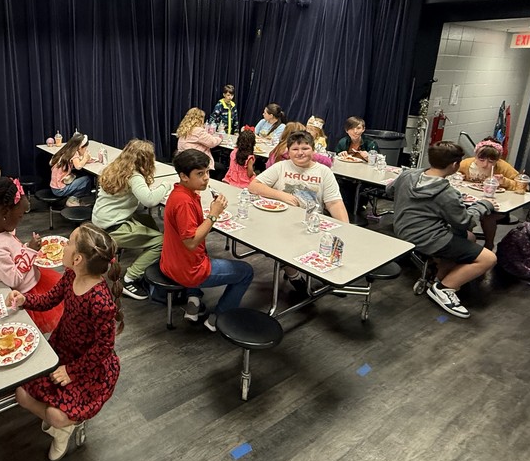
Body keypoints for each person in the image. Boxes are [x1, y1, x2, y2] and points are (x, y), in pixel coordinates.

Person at [8, 222, 121, 461]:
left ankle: (63, 428)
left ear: (78, 258)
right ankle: (61, 425)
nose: (63, 245)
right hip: (61, 350)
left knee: (55, 415)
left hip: (87, 367)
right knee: (21, 394)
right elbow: (50, 298)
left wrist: (72, 371)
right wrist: (24, 300)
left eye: (68, 242)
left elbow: (104, 347)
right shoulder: (70, 275)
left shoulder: (100, 301)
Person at [388, 142, 497, 319]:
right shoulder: (446, 193)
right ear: (454, 165)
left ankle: (438, 278)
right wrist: (484, 205)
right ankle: (444, 289)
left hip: (402, 229)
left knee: (468, 238)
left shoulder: (408, 175)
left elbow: (389, 190)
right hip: (429, 238)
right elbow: (465, 222)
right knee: (489, 259)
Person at [161, 150, 254, 332]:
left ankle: (193, 300)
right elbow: (190, 242)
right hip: (186, 270)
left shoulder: (181, 193)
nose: (206, 178)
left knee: (204, 252)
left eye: (207, 172)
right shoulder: (184, 202)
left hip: (170, 262)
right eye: (199, 174)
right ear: (183, 176)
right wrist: (214, 214)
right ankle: (217, 318)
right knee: (246, 272)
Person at [0, 177, 63, 334]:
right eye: (20, 216)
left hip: (36, 281)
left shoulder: (3, 232)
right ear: (5, 213)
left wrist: (27, 249)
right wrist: (30, 250)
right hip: (27, 294)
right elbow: (13, 279)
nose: (21, 220)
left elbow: (14, 255)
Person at [91, 139, 171, 300]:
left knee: (148, 221)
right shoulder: (134, 176)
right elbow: (149, 201)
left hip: (100, 221)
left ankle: (149, 258)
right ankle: (129, 279)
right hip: (113, 228)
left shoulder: (117, 168)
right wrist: (166, 186)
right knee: (162, 241)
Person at [249, 131, 349, 221]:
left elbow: (334, 203)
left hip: (309, 221)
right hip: (279, 218)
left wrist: (346, 229)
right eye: (295, 149)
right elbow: (254, 186)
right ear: (288, 152)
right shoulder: (281, 166)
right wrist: (280, 195)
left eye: (305, 148)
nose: (300, 153)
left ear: (313, 150)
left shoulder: (324, 172)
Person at [49, 133, 94, 207]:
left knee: (79, 175)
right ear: (80, 147)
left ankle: (74, 198)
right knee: (87, 179)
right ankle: (73, 199)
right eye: (85, 148)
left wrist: (85, 159)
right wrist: (85, 158)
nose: (85, 150)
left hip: (54, 187)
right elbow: (78, 166)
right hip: (60, 189)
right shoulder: (74, 153)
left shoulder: (66, 150)